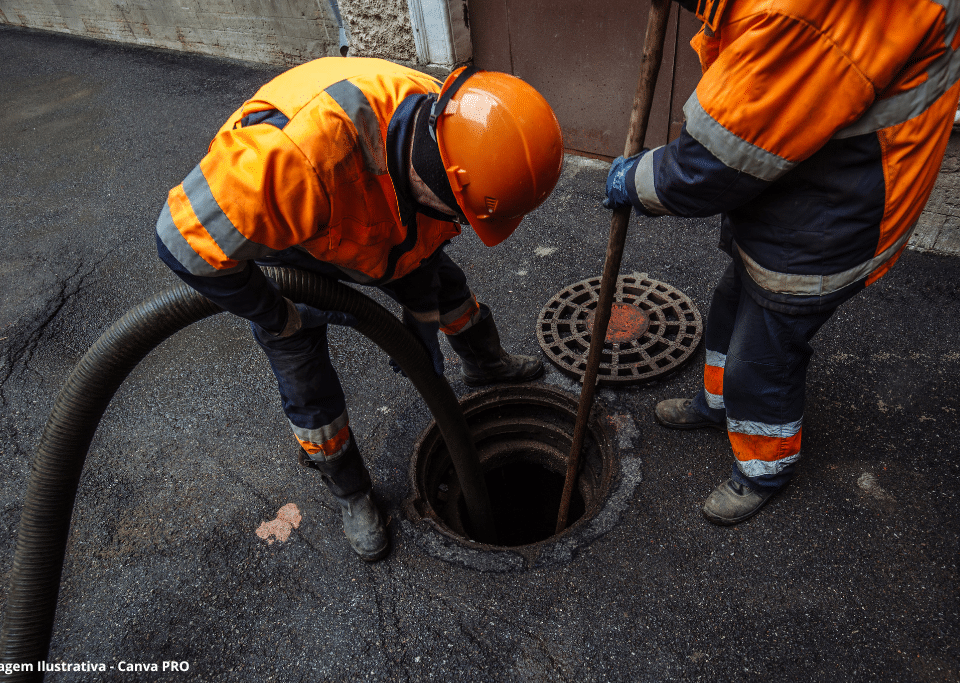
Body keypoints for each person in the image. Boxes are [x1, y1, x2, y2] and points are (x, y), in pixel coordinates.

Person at [156, 58, 564, 560]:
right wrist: (275, 312)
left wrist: (421, 329)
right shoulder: (290, 159)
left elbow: (427, 250)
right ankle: (351, 492)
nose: (466, 222)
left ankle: (485, 363)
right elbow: (179, 241)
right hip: (301, 242)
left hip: (385, 222)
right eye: (464, 212)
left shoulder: (460, 129)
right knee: (304, 374)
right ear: (438, 178)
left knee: (446, 289)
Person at [605, 0, 960, 525]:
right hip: (801, 180)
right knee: (731, 304)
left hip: (839, 210)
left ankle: (763, 467)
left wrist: (634, 180)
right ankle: (718, 404)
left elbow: (715, 162)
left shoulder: (804, 14)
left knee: (762, 357)